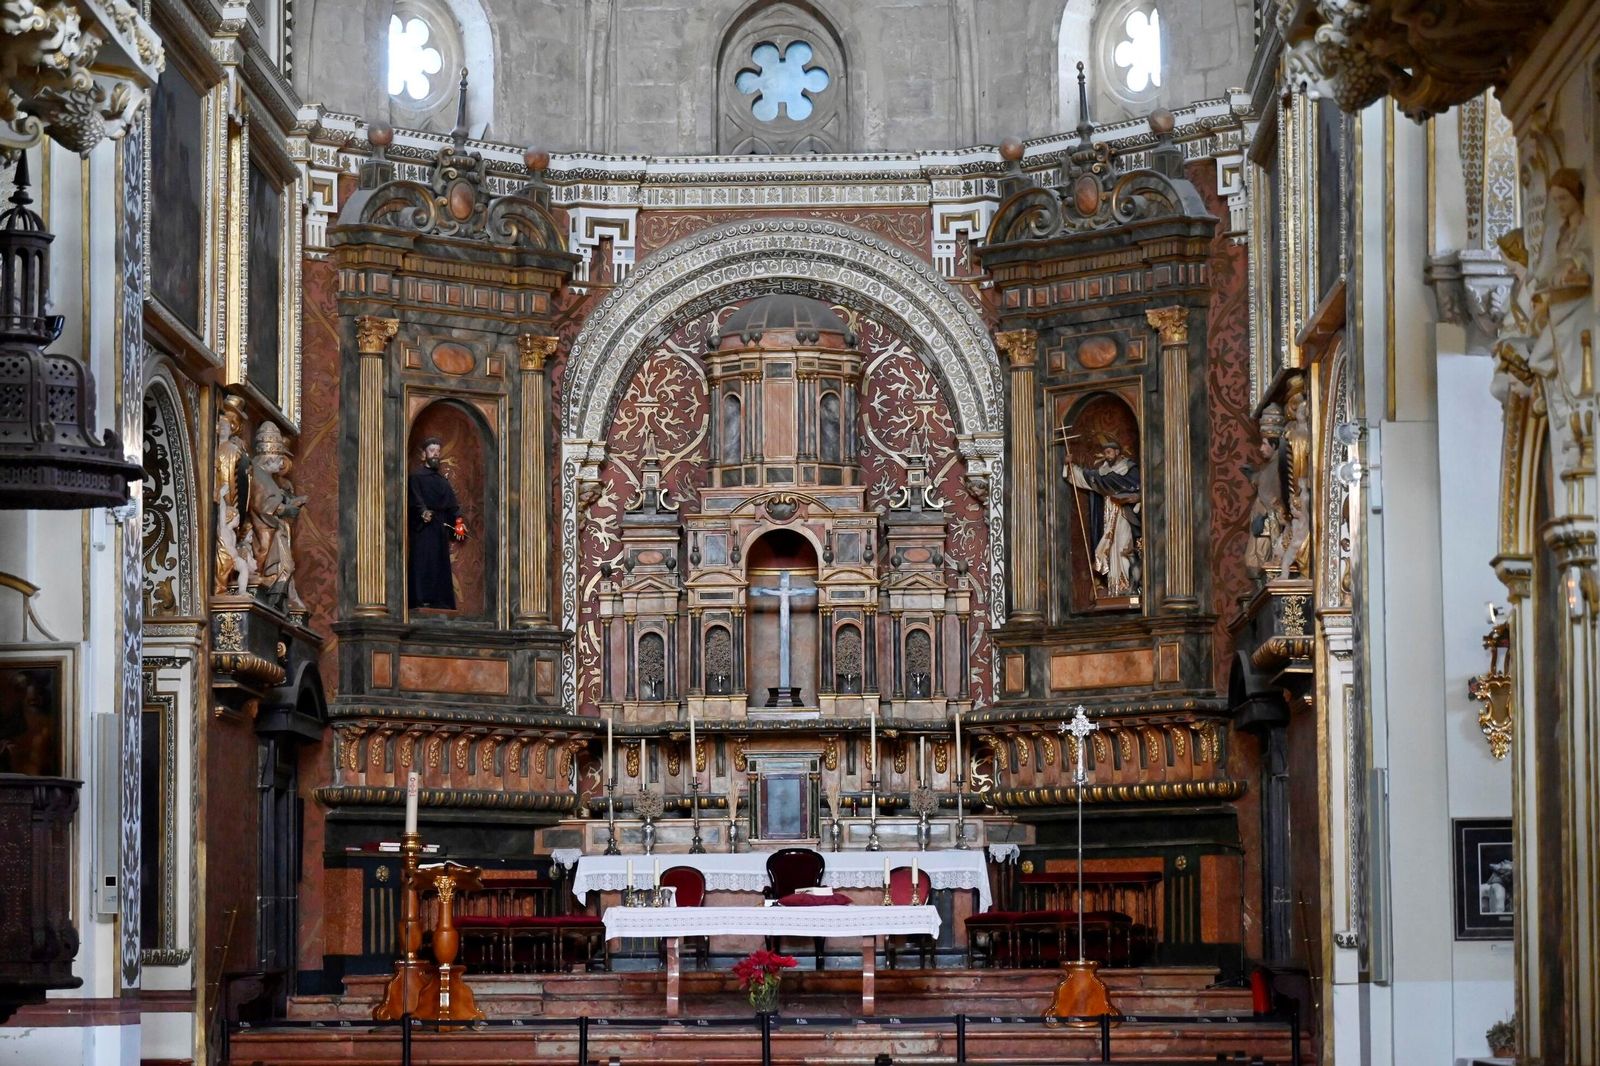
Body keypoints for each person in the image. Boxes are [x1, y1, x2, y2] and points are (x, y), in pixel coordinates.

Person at [1064, 434, 1142, 597]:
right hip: (1108, 513)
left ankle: (1128, 586)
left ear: (1117, 452)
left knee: (1123, 546)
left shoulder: (1130, 469)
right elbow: (1086, 478)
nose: (1107, 456)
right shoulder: (1103, 473)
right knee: (1111, 548)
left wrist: (1137, 497)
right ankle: (1115, 589)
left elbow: (1142, 488)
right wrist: (1070, 466)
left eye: (1109, 452)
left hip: (1124, 514)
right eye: (1105, 453)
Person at [408, 436, 463, 609]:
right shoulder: (416, 477)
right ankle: (421, 599)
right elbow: (415, 500)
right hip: (423, 530)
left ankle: (441, 602)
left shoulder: (442, 482)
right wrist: (423, 512)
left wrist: (458, 523)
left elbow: (452, 506)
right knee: (423, 562)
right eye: (432, 451)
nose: (435, 455)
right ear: (424, 454)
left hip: (440, 529)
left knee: (440, 564)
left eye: (438, 452)